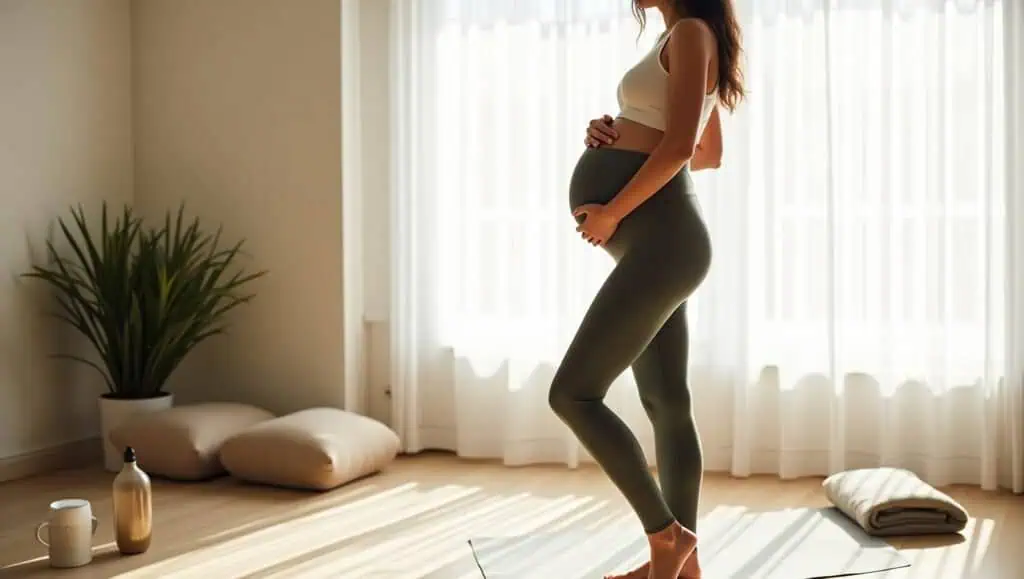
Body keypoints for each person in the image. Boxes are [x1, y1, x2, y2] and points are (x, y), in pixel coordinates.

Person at [547, 1, 745, 578]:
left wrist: (609, 212)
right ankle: (684, 568)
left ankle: (666, 537)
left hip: (663, 244)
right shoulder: (687, 38)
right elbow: (709, 153)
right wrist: (612, 130)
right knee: (666, 402)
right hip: (662, 244)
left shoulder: (689, 33)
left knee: (573, 395)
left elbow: (683, 149)